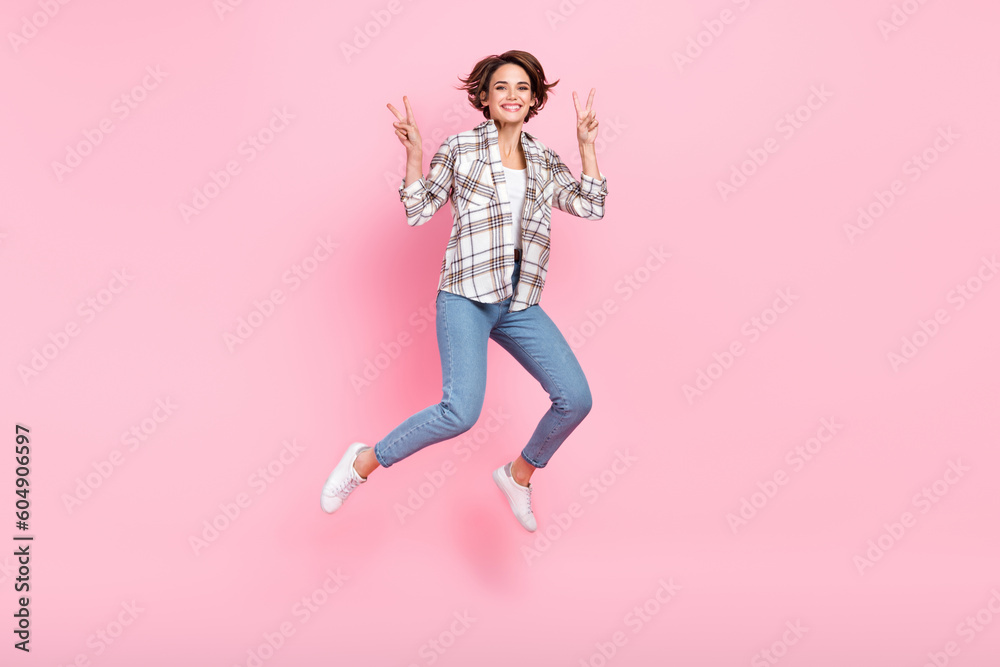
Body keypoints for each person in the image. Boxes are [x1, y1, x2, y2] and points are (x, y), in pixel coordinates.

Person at [321, 50, 608, 532]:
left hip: (518, 302)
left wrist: (587, 148)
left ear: (535, 98)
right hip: (465, 296)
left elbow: (589, 207)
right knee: (460, 413)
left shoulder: (542, 158)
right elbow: (419, 209)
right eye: (501, 87)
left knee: (576, 398)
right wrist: (413, 156)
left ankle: (519, 475)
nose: (511, 95)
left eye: (521, 87)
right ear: (485, 97)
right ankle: (363, 461)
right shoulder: (461, 149)